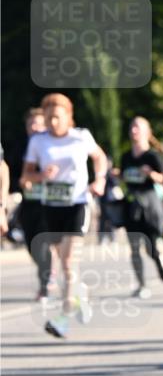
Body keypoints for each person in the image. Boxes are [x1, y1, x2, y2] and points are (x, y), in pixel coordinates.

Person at [21, 93, 106, 338]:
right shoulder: (38, 141)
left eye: (57, 117)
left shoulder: (81, 137)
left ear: (68, 117)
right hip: (51, 207)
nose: (52, 122)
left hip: (77, 204)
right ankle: (81, 295)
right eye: (48, 118)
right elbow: (26, 176)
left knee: (68, 263)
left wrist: (99, 180)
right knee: (68, 266)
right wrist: (40, 175)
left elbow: (99, 158)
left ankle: (63, 319)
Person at [121, 116, 163, 298]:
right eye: (132, 127)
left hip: (150, 205)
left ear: (147, 133)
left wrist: (150, 174)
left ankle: (158, 260)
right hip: (132, 204)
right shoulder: (126, 156)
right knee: (134, 247)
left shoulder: (152, 156)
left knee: (150, 246)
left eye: (138, 127)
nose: (134, 130)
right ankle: (141, 285)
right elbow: (125, 179)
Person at [17, 109, 53, 299]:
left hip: (48, 205)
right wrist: (22, 181)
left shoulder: (51, 148)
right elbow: (15, 174)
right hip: (28, 204)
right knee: (31, 245)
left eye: (38, 123)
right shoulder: (21, 148)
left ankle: (45, 286)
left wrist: (40, 177)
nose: (34, 127)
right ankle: (47, 272)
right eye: (30, 124)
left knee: (42, 245)